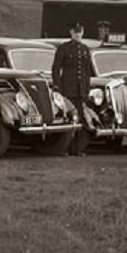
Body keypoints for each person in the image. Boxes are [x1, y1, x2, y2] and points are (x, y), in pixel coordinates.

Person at [51, 22, 95, 156]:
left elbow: (87, 71)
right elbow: (56, 68)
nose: (78, 34)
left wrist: (86, 89)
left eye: (80, 32)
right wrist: (57, 86)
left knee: (81, 119)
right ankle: (64, 148)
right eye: (75, 32)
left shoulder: (85, 49)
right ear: (71, 33)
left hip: (80, 90)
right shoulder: (64, 48)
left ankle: (77, 149)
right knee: (69, 119)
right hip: (68, 89)